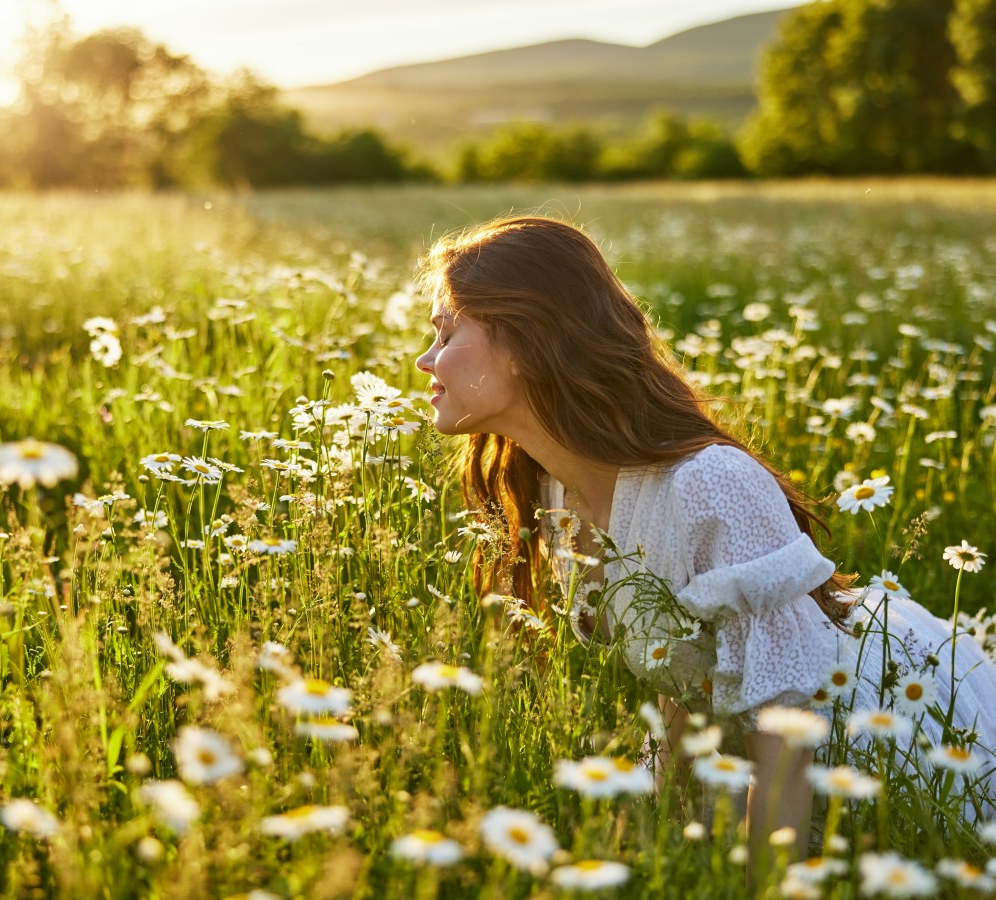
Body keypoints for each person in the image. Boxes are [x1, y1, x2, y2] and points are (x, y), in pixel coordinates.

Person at [413, 215, 996, 860]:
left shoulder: (709, 485)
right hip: (757, 745)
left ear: (525, 341)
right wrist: (661, 821)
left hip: (880, 722)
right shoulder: (553, 492)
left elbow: (787, 723)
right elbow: (685, 665)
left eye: (446, 333)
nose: (425, 360)